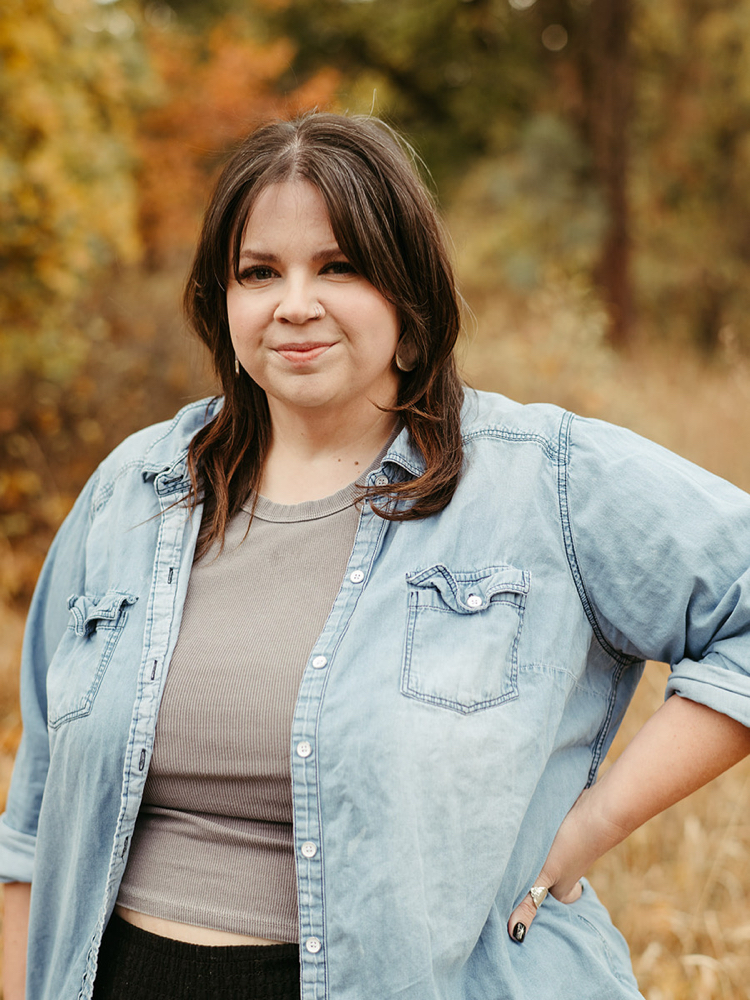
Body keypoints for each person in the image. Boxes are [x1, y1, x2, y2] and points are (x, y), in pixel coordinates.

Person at [2, 111, 750, 1000]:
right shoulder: (135, 490)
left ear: (409, 294)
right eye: (259, 272)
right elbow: (34, 828)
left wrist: (590, 825)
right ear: (223, 300)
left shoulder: (539, 481)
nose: (295, 304)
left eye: (340, 266)